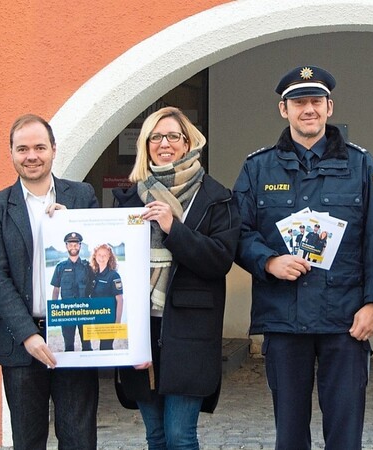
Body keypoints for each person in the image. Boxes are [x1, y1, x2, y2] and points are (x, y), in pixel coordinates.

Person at [233, 65, 373, 449]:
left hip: (345, 320)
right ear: (283, 110)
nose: (308, 109)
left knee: (345, 433)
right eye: (299, 102)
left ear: (329, 107)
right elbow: (236, 231)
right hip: (284, 317)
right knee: (289, 434)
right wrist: (268, 261)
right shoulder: (258, 167)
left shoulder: (360, 164)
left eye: (315, 102)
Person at [112, 106, 240, 450]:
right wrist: (66, 221)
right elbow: (108, 250)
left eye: (173, 136)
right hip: (140, 330)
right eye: (156, 136)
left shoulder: (217, 197)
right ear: (145, 144)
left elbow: (219, 260)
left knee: (181, 437)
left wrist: (173, 228)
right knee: (155, 436)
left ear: (188, 143)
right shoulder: (128, 197)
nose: (164, 143)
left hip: (190, 333)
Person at [0, 114, 100, 450]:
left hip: (73, 335)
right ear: (12, 153)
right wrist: (28, 335)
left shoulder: (81, 195)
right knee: (28, 440)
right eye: (23, 149)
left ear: (54, 150)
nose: (32, 155)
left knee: (79, 439)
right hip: (20, 341)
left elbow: (97, 257)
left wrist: (73, 224)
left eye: (39, 147)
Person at [50, 231, 95, 351]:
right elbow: (56, 289)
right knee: (68, 346)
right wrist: (54, 309)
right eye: (70, 244)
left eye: (76, 244)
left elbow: (94, 287)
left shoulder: (88, 266)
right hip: (66, 312)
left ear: (80, 246)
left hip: (85, 311)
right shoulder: (60, 267)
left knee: (87, 346)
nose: (73, 247)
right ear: (66, 246)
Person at [88, 243, 124, 350]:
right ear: (95, 256)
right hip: (98, 317)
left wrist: (117, 322)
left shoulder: (114, 275)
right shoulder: (94, 274)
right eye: (99, 255)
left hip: (109, 319)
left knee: (106, 346)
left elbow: (120, 300)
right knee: (103, 346)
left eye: (105, 255)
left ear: (109, 257)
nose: (102, 258)